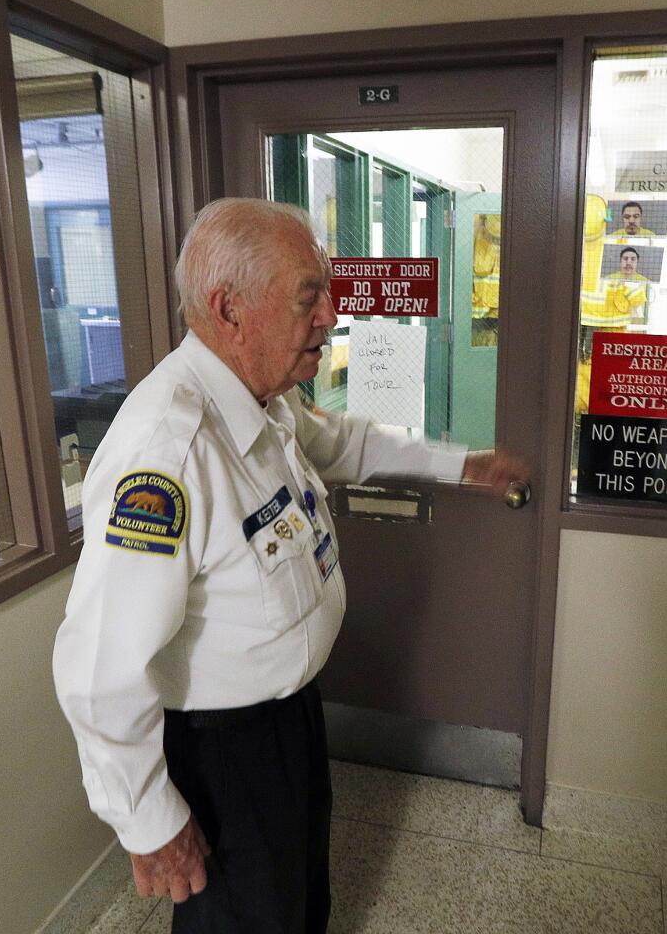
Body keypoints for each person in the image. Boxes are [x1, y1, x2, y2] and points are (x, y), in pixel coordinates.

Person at [52, 198, 526, 934]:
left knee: (300, 904)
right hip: (223, 753)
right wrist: (148, 820)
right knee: (246, 920)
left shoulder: (263, 399)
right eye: (310, 297)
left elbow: (343, 442)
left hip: (291, 721)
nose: (330, 317)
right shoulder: (167, 452)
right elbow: (98, 670)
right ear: (229, 309)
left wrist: (462, 464)